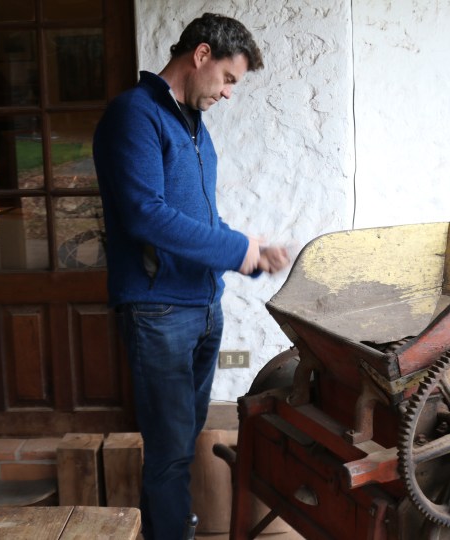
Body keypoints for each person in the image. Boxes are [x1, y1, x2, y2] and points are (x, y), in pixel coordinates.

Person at [92, 13, 289, 540]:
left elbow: (201, 220)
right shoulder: (134, 116)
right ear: (201, 55)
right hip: (158, 312)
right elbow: (145, 215)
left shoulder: (192, 126)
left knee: (179, 443)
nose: (228, 94)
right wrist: (234, 248)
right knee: (170, 453)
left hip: (202, 308)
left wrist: (250, 252)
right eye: (228, 78)